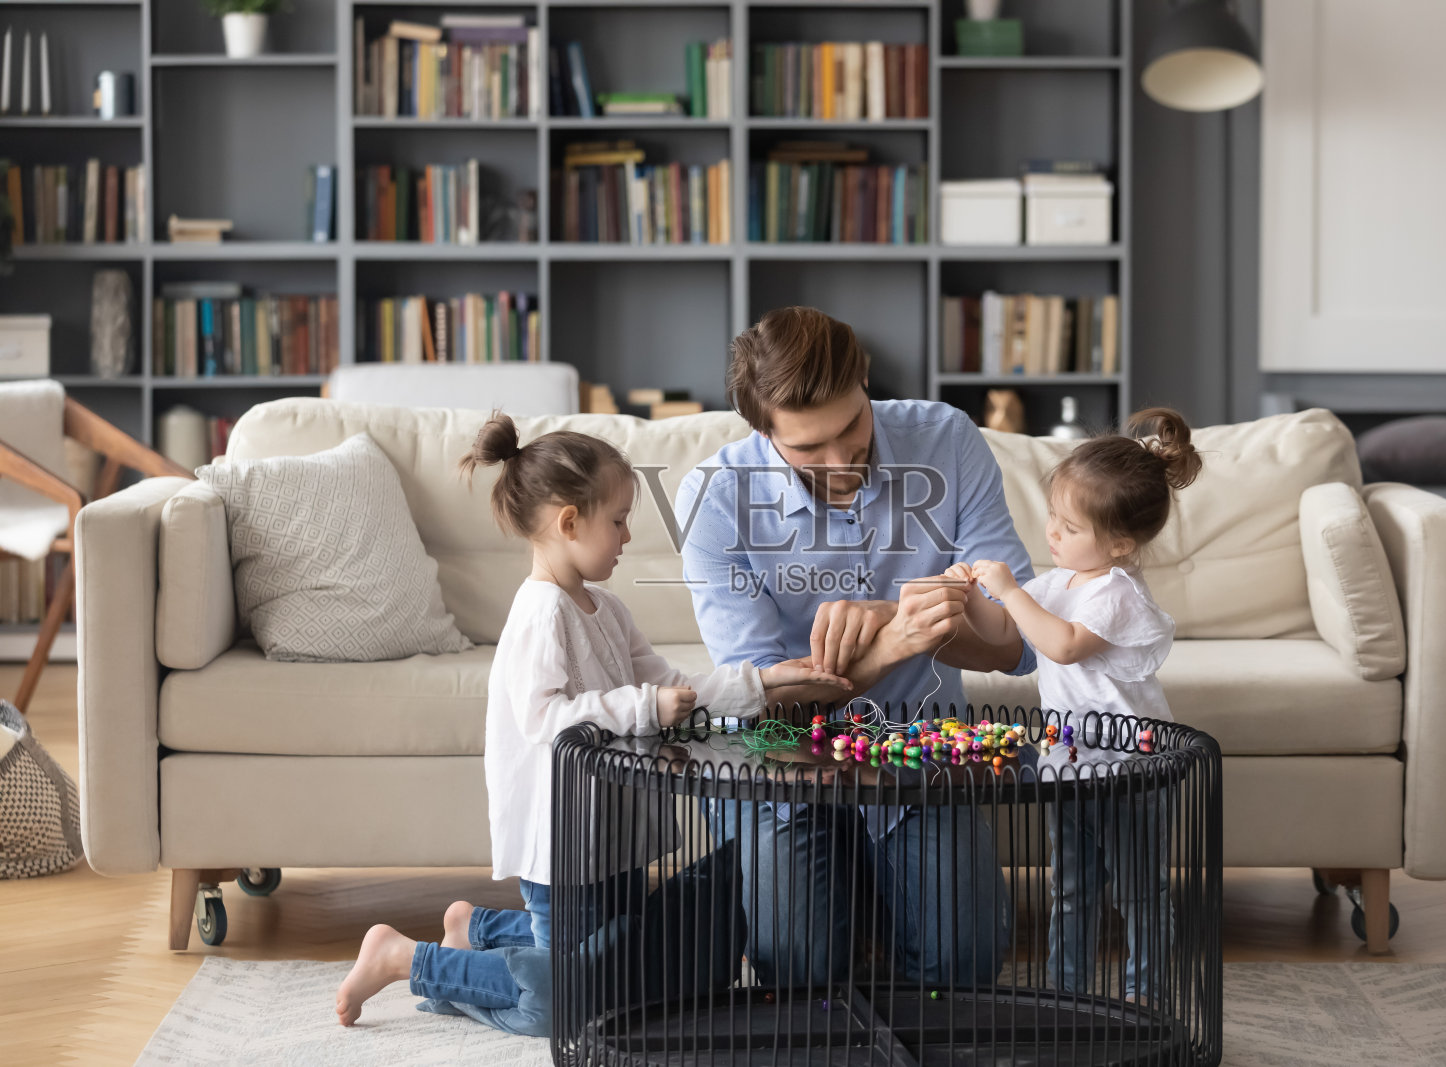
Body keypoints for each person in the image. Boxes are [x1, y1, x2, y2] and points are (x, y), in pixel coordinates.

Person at [334, 420, 848, 1034]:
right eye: (619, 520)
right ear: (569, 522)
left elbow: (674, 689)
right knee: (570, 1000)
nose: (628, 537)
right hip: (565, 847)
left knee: (610, 961)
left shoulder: (607, 610)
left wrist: (766, 684)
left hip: (617, 838)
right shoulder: (538, 614)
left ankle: (474, 928)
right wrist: (641, 708)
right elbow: (545, 718)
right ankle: (405, 958)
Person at [676, 307, 1037, 987]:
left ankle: (869, 892)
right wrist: (889, 645)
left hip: (914, 751)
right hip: (777, 765)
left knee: (964, 963)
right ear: (763, 431)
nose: (842, 461)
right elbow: (763, 709)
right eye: (809, 448)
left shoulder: (947, 439)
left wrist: (901, 615)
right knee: (798, 969)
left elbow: (1016, 642)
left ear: (865, 380)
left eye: (852, 426)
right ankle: (854, 894)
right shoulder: (716, 496)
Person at [947, 407, 1202, 999]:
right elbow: (1004, 628)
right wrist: (970, 595)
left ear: (1119, 542)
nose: (1052, 534)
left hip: (1126, 768)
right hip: (1070, 763)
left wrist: (1009, 589)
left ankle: (1147, 996)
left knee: (1138, 889)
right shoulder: (1060, 583)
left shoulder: (1117, 593)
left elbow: (1059, 647)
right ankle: (1069, 996)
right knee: (1071, 886)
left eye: (1068, 526)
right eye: (1053, 519)